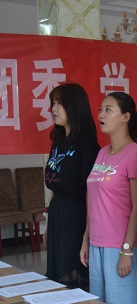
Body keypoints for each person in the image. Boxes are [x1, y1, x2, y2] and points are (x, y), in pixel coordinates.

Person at [81, 92, 137, 304]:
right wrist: (86, 239)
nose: (101, 115)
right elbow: (93, 200)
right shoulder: (102, 153)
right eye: (100, 109)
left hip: (121, 246)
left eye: (108, 110)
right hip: (97, 243)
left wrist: (127, 251)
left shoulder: (135, 154)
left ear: (125, 117)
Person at [43, 83, 100, 288]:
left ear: (75, 106)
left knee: (72, 271)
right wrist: (48, 223)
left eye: (60, 104)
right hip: (57, 211)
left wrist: (87, 232)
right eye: (53, 103)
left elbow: (91, 191)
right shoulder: (59, 140)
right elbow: (55, 186)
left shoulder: (87, 143)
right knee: (56, 271)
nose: (54, 109)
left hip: (76, 214)